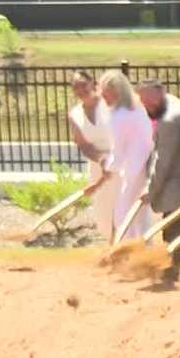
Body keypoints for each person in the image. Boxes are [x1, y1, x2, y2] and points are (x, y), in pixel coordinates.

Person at [136, 79, 180, 286]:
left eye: (148, 103)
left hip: (177, 182)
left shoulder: (168, 120)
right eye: (143, 103)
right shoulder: (170, 101)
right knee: (179, 228)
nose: (146, 107)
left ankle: (174, 273)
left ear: (160, 94)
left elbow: (162, 161)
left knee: (174, 228)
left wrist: (150, 189)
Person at [97, 70, 154, 241]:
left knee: (123, 213)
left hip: (134, 167)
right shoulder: (137, 108)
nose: (103, 97)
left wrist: (108, 167)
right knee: (141, 215)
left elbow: (118, 149)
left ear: (117, 92)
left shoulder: (119, 115)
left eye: (106, 93)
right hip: (144, 164)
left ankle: (127, 252)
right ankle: (145, 250)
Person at [67, 71, 117, 241]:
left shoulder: (110, 105)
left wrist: (112, 159)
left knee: (124, 209)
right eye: (76, 87)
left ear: (94, 84)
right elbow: (83, 144)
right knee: (104, 213)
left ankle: (133, 251)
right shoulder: (75, 114)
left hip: (121, 162)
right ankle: (113, 250)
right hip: (97, 166)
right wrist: (101, 159)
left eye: (83, 84)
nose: (80, 89)